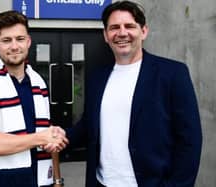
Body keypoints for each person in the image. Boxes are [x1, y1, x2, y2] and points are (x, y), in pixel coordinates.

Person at [66, 1, 202, 187]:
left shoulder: (172, 74)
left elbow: (189, 140)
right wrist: (54, 137)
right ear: (106, 35)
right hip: (101, 183)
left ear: (143, 31)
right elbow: (88, 126)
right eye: (114, 27)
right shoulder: (98, 78)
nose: (122, 33)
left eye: (129, 26)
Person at [0, 10, 68, 187]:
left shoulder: (39, 84)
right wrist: (41, 138)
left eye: (20, 39)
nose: (14, 46)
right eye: (6, 40)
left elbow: (48, 137)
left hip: (42, 181)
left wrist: (57, 181)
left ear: (28, 42)